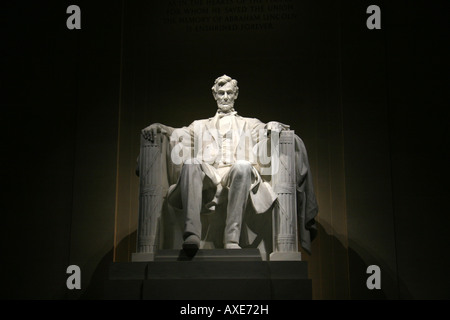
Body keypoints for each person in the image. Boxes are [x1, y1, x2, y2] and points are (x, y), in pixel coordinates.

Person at [143, 75, 290, 253]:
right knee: (191, 162)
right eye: (221, 93)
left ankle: (232, 238)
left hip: (237, 173)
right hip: (210, 174)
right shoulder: (199, 125)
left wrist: (272, 125)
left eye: (229, 93)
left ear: (236, 95)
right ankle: (192, 235)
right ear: (215, 95)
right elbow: (177, 133)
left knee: (243, 165)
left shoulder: (250, 123)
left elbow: (264, 130)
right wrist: (161, 128)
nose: (225, 97)